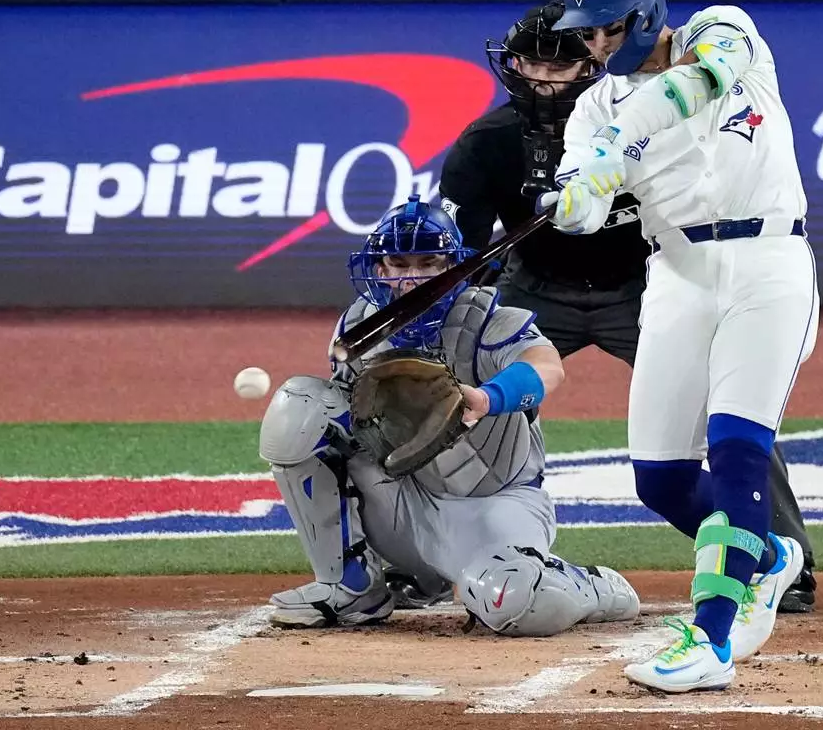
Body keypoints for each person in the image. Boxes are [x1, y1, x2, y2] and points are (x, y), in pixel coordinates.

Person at [438, 0, 819, 616]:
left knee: (734, 408)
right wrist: (574, 204)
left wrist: (614, 150)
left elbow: (689, 103)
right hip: (537, 286)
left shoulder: (648, 98)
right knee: (460, 384)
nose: (541, 79)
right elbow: (462, 249)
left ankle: (784, 558)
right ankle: (437, 551)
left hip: (640, 284)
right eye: (530, 65)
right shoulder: (494, 140)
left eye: (557, 66)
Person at [541, 0, 820, 692]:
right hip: (677, 275)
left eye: (609, 28)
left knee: (736, 451)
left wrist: (618, 144)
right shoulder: (592, 110)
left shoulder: (721, 30)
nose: (598, 45)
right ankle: (768, 555)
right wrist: (574, 198)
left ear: (645, 14)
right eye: (588, 33)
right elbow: (585, 205)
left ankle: (712, 640)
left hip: (768, 263)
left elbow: (698, 83)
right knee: (660, 479)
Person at [256, 196, 640, 637]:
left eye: (428, 263)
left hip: (493, 507)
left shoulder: (488, 319)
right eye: (399, 264)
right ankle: (351, 587)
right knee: (300, 409)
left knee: (516, 602)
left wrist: (489, 398)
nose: (412, 277)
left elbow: (546, 367)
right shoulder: (360, 326)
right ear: (379, 269)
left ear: (452, 267)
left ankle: (592, 586)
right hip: (403, 501)